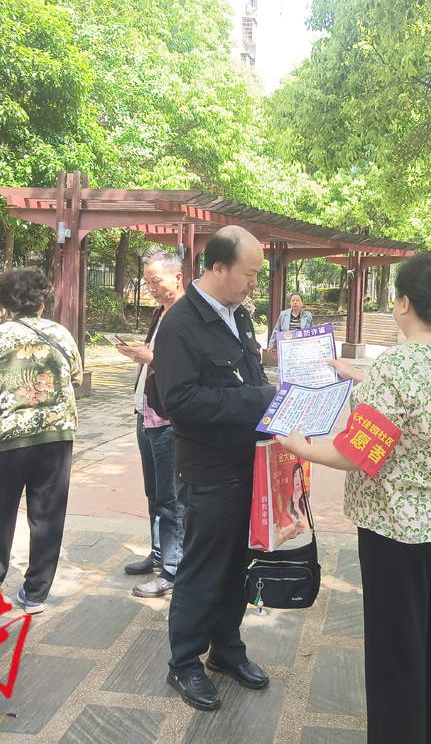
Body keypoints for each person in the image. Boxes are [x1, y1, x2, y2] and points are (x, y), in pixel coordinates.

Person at [279, 253, 431, 744]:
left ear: (404, 303)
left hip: (398, 530)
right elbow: (421, 398)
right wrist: (358, 374)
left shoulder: (398, 364)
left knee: (398, 649)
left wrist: (298, 445)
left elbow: (356, 452)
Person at [153, 225, 277, 712]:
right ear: (218, 267)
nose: (254, 283)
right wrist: (261, 400)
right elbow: (179, 401)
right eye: (249, 273)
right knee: (203, 569)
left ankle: (226, 650)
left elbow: (251, 376)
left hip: (250, 461)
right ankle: (184, 663)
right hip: (209, 470)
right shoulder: (181, 324)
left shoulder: (238, 315)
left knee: (238, 566)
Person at [0, 267, 82, 614]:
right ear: (43, 299)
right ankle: (36, 593)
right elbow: (76, 377)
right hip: (57, 434)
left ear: (6, 302)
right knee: (48, 515)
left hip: (9, 437)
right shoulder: (62, 334)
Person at [114, 248, 186, 599]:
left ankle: (173, 568)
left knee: (171, 498)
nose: (151, 288)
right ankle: (158, 554)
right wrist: (140, 355)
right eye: (147, 282)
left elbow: (188, 366)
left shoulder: (189, 313)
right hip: (146, 411)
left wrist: (151, 358)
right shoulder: (159, 312)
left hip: (169, 419)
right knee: (154, 493)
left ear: (178, 277)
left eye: (156, 281)